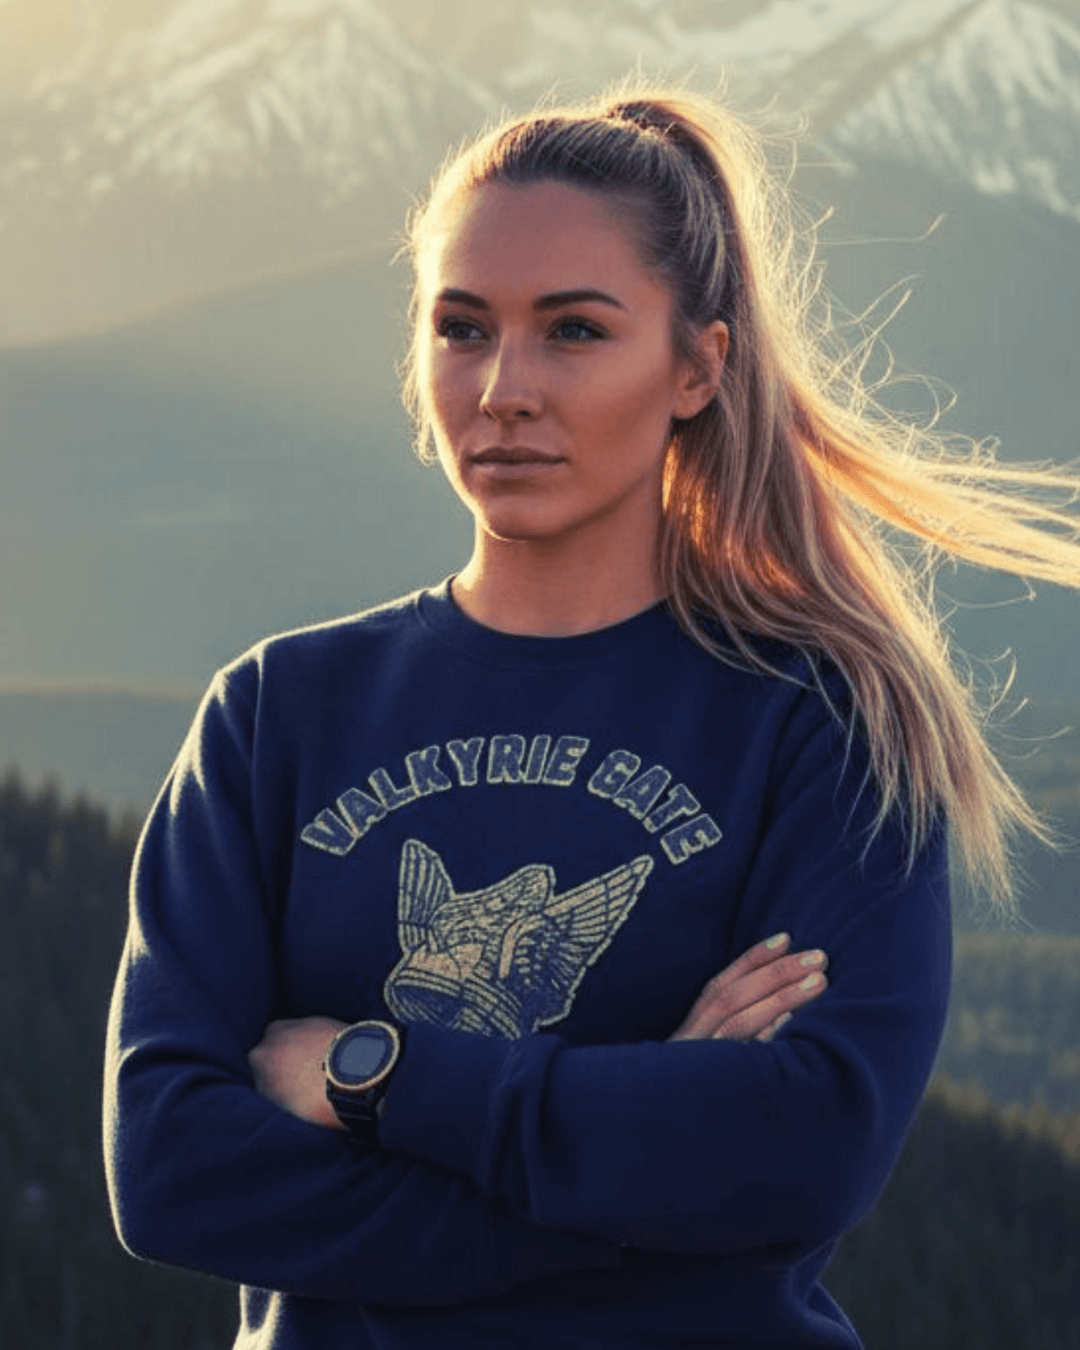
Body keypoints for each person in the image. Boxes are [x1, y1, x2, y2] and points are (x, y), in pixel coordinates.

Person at [103, 82, 1080, 1349]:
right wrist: (638, 1160)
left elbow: (806, 1151)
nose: (505, 386)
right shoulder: (277, 713)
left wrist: (374, 1077)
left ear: (696, 368)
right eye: (462, 328)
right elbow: (173, 1170)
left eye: (573, 331)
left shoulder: (823, 722)